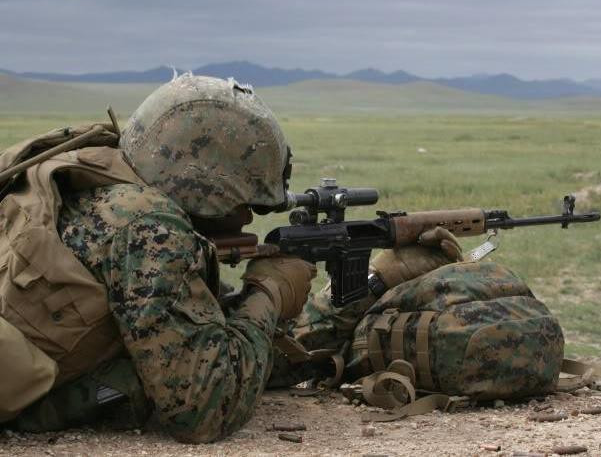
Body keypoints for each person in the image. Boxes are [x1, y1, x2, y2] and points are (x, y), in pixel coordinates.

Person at [0, 74, 460, 443]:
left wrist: (379, 280)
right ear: (208, 187)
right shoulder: (149, 227)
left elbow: (222, 338)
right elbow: (206, 410)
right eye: (248, 204)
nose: (249, 218)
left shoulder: (94, 177)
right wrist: (268, 291)